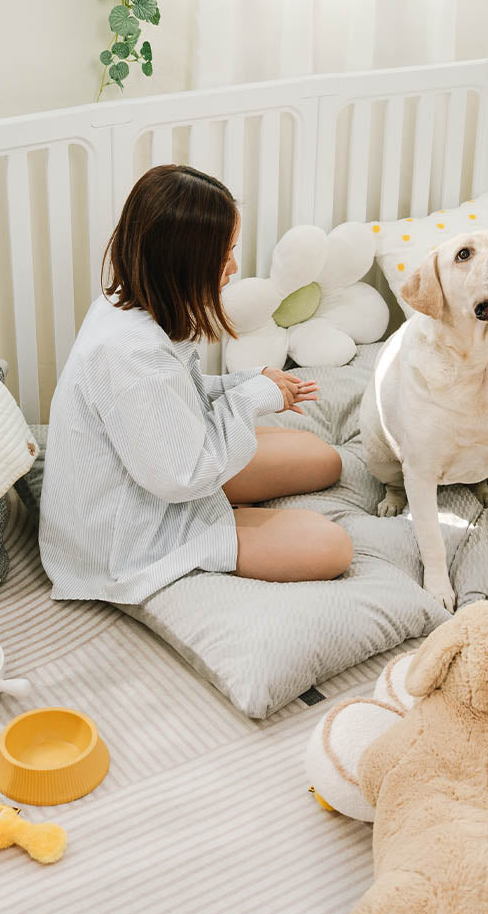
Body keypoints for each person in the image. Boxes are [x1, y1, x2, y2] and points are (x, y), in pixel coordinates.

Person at [38, 164, 353, 603]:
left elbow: (173, 395)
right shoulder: (131, 351)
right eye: (223, 255)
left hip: (157, 469)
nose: (234, 267)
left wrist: (247, 381)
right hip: (129, 531)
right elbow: (181, 477)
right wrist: (253, 396)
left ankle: (226, 510)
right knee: (331, 547)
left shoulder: (126, 302)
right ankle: (212, 526)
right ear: (183, 261)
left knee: (323, 459)